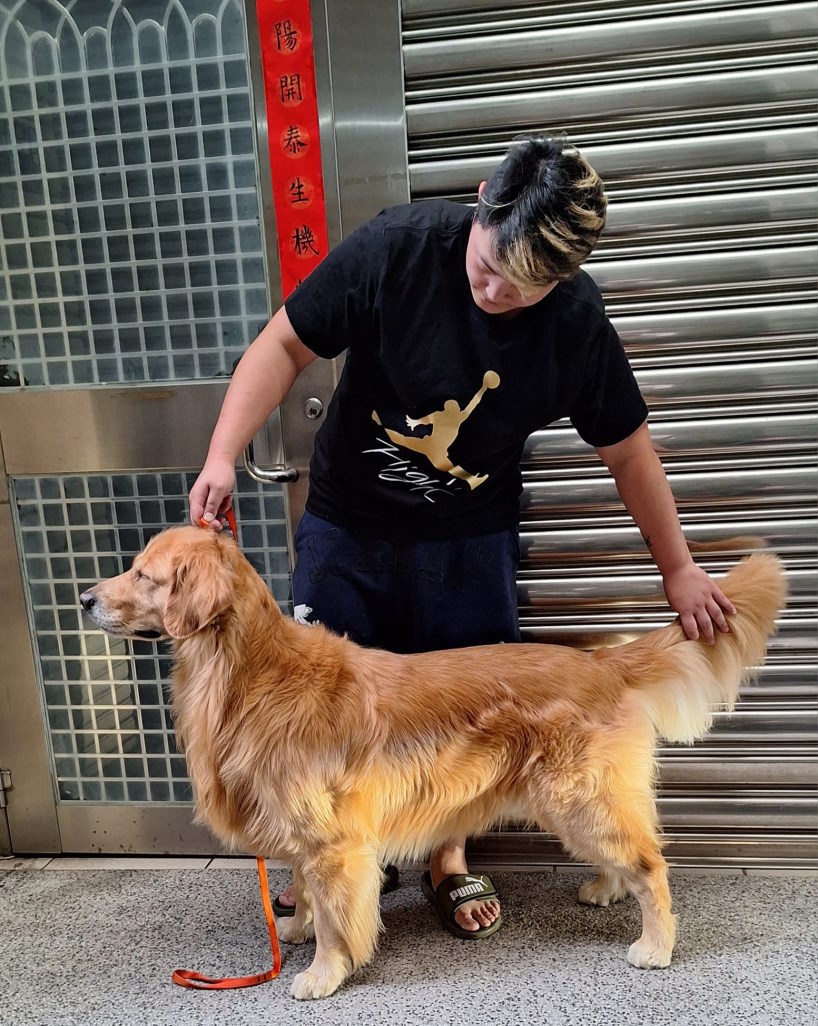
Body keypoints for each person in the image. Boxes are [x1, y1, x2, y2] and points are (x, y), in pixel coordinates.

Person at [189, 135, 735, 940]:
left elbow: (627, 451)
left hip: (468, 540)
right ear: (483, 199)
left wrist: (678, 567)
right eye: (487, 266)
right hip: (349, 522)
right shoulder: (397, 248)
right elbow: (286, 344)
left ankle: (447, 857)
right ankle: (334, 852)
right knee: (320, 713)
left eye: (523, 288)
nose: (495, 291)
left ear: (563, 279)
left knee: (464, 721)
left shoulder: (574, 322)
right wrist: (221, 455)